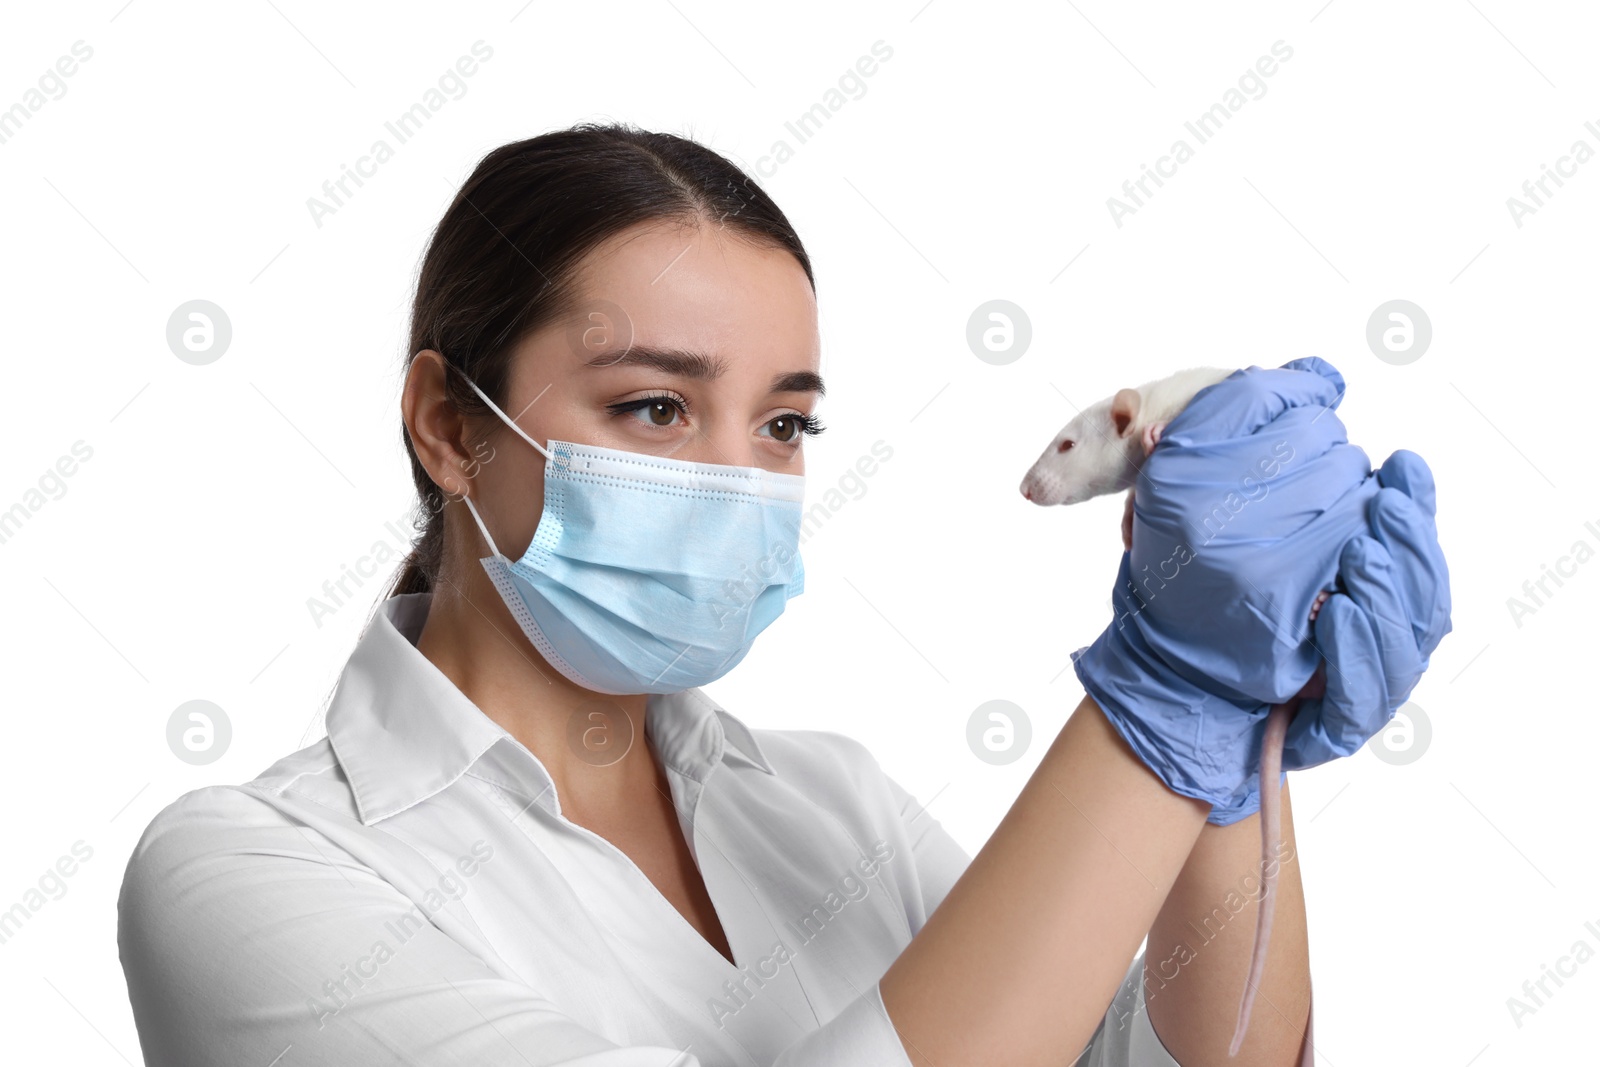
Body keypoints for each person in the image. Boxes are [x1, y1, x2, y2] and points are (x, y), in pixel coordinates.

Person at [117, 124, 1450, 1067]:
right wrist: (1166, 688)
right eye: (654, 407)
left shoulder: (832, 802)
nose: (736, 478)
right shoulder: (248, 877)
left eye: (784, 427)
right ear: (449, 427)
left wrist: (1238, 732)